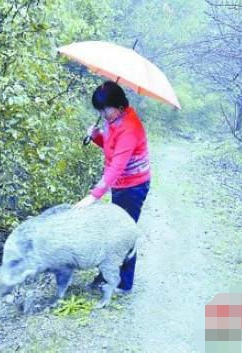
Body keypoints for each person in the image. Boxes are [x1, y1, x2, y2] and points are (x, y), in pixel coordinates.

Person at [72, 81, 151, 292]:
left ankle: (123, 284)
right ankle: (108, 274)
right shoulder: (115, 120)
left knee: (123, 234)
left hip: (133, 187)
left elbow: (116, 166)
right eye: (100, 110)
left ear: (119, 106)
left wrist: (94, 196)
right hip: (121, 185)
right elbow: (111, 149)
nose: (103, 114)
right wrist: (97, 136)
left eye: (105, 109)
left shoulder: (129, 128)